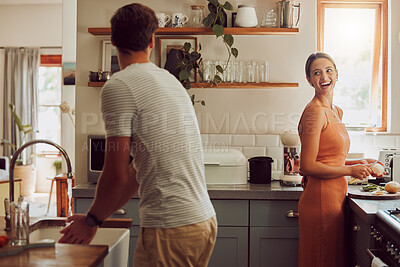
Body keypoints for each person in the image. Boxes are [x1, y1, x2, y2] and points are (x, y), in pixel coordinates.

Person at [59, 3, 217, 267]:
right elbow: (134, 172)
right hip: (202, 222)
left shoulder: (119, 86)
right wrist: (96, 218)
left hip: (170, 228)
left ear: (113, 41)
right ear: (152, 42)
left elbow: (115, 173)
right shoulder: (171, 82)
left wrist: (90, 221)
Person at [297, 52, 382, 267]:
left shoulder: (336, 111)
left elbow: (330, 159)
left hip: (335, 199)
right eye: (316, 73)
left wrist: (360, 163)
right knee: (322, 260)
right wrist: (351, 172)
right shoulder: (314, 112)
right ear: (309, 80)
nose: (324, 76)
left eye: (328, 70)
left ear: (337, 74)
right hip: (320, 201)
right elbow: (307, 166)